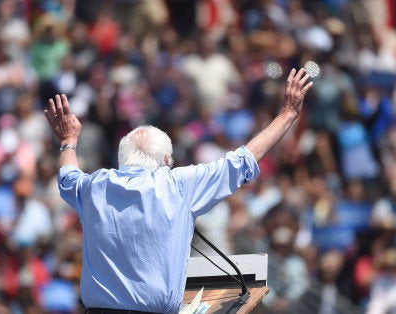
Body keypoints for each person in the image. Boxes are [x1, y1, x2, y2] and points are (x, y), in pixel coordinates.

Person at [43, 67, 313, 313]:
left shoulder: (95, 187)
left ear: (122, 159)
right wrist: (287, 114)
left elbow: (67, 176)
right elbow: (243, 161)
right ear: (165, 162)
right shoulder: (178, 184)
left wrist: (68, 140)